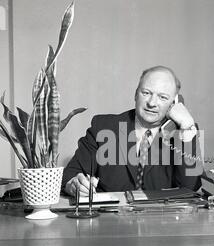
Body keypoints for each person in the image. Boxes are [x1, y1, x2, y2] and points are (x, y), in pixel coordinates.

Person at [62, 66, 203, 196]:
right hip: (110, 220)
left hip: (161, 220)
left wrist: (186, 128)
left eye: (163, 97)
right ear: (136, 95)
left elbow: (191, 189)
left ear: (175, 103)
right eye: (146, 93)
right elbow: (69, 175)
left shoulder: (185, 132)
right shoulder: (103, 126)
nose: (152, 103)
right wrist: (74, 185)